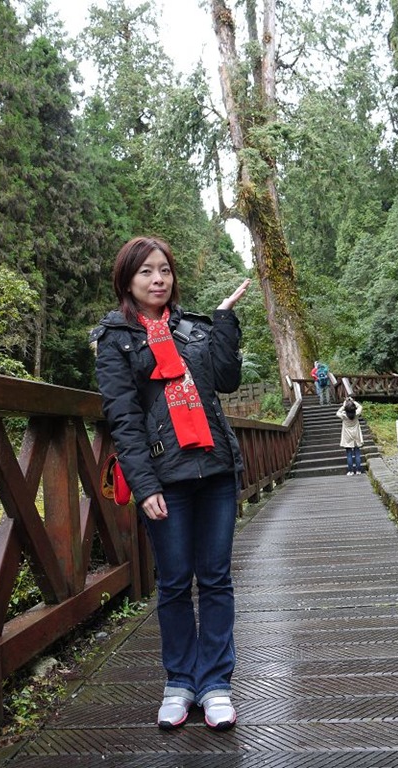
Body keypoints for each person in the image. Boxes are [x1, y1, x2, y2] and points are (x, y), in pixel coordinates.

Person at [90, 235, 251, 732]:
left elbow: (226, 380)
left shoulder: (195, 328)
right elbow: (123, 418)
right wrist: (144, 486)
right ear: (127, 280)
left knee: (216, 578)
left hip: (215, 469)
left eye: (164, 270)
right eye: (146, 271)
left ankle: (216, 683)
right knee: (176, 581)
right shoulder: (114, 338)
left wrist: (224, 319)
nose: (158, 279)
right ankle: (180, 682)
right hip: (165, 478)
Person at [336, 396, 364, 475]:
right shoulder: (356, 414)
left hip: (347, 436)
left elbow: (337, 412)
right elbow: (360, 407)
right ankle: (358, 470)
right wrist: (353, 402)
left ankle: (350, 471)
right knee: (357, 453)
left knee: (349, 454)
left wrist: (344, 405)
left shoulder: (344, 416)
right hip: (356, 435)